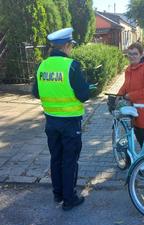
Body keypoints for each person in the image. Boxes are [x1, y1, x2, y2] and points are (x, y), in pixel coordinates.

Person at [32, 28, 90, 211]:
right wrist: (88, 87)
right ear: (66, 46)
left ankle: (58, 193)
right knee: (69, 160)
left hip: (51, 121)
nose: (71, 49)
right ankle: (69, 199)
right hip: (70, 122)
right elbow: (83, 95)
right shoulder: (72, 66)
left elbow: (35, 93)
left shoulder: (42, 65)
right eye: (71, 45)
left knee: (56, 157)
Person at [117, 42, 144, 149]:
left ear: (141, 55)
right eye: (130, 54)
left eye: (135, 54)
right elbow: (126, 84)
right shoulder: (129, 68)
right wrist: (119, 94)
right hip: (135, 108)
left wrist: (129, 96)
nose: (132, 56)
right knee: (138, 135)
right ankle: (138, 162)